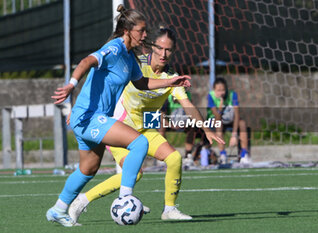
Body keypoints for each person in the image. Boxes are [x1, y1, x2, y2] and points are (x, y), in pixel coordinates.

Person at [46, 5, 191, 227]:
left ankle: (58, 209)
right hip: (89, 117)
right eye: (141, 30)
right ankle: (125, 198)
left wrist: (171, 81)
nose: (145, 35)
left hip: (92, 118)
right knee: (139, 143)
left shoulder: (130, 58)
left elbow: (142, 83)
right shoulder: (113, 49)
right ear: (127, 30)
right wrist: (71, 86)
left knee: (88, 169)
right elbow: (86, 62)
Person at [68, 25, 225, 223]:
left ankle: (169, 209)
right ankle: (81, 201)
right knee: (136, 173)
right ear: (151, 47)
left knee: (175, 159)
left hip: (143, 131)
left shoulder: (171, 78)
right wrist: (81, 107)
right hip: (117, 127)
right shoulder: (134, 64)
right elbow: (101, 80)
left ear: (173, 51)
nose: (164, 53)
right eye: (160, 48)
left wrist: (206, 129)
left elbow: (188, 105)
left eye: (169, 49)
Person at [207, 77, 251, 164]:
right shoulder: (210, 96)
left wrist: (234, 135)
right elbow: (217, 116)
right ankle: (223, 154)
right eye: (218, 90)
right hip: (217, 119)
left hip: (230, 119)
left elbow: (237, 115)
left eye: (223, 90)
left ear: (226, 89)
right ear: (214, 90)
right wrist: (221, 104)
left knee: (242, 123)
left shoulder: (232, 95)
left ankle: (244, 154)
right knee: (218, 123)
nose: (221, 93)